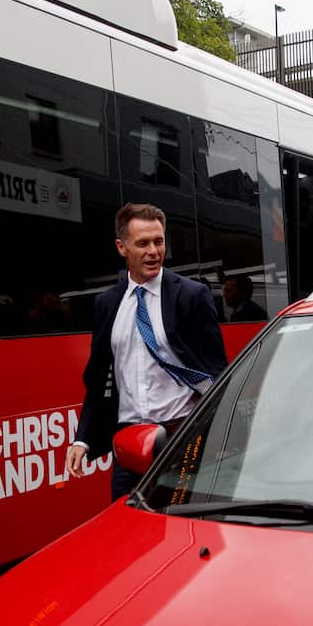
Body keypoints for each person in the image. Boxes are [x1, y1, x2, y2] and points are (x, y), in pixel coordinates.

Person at [66, 203, 228, 500]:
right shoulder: (107, 304)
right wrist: (83, 440)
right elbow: (99, 377)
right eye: (142, 243)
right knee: (127, 535)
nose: (154, 251)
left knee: (183, 533)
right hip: (128, 444)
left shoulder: (191, 296)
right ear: (121, 247)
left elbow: (217, 373)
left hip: (181, 440)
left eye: (159, 241)